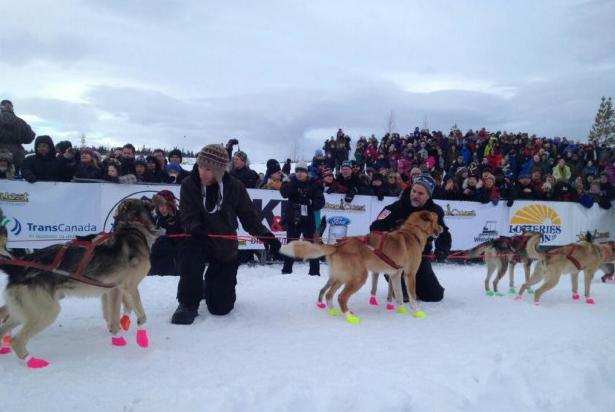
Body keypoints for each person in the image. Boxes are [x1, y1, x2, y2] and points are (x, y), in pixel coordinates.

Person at [172, 144, 281, 325]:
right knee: (190, 252)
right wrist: (196, 229)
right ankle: (187, 303)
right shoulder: (189, 184)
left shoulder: (234, 187)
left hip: (224, 245)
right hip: (198, 239)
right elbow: (187, 216)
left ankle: (211, 287)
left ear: (220, 170)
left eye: (209, 169)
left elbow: (249, 218)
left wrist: (268, 238)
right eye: (200, 167)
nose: (203, 173)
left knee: (221, 308)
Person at [370, 174, 451, 302]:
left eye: (420, 193)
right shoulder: (395, 208)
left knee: (434, 295)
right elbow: (375, 227)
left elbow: (443, 233)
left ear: (428, 196)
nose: (415, 195)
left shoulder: (435, 211)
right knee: (404, 296)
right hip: (395, 257)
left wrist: (442, 249)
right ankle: (393, 279)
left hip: (419, 257)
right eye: (414, 191)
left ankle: (416, 283)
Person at [280, 161, 325, 275]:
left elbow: (321, 202)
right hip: (293, 217)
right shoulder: (291, 181)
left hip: (308, 219)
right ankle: (286, 271)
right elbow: (284, 193)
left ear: (306, 173)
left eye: (302, 171)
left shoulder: (313, 183)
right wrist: (293, 183)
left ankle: (314, 273)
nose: (299, 173)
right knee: (291, 245)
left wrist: (310, 202)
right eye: (297, 171)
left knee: (311, 245)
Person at [149, 190, 183, 276]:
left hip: (174, 265)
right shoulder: (156, 220)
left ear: (171, 205)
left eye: (165, 205)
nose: (162, 209)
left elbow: (182, 243)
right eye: (160, 206)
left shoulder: (180, 218)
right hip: (155, 263)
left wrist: (164, 236)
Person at [0, 99, 35, 173]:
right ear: (12, 108)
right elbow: (30, 137)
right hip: (16, 156)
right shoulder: (21, 122)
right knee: (15, 181)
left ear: (1, 107)